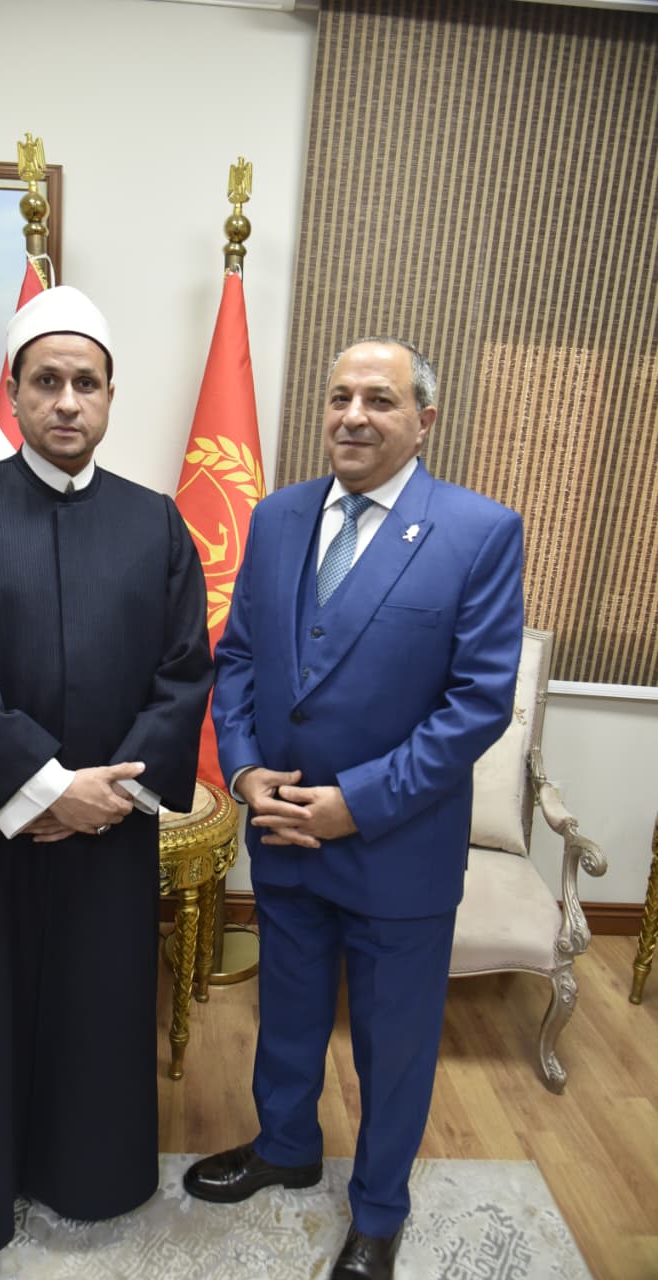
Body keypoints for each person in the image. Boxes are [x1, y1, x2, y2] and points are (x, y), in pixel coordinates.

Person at [184, 338, 523, 1279]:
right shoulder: (279, 516)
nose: (354, 416)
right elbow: (240, 658)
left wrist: (358, 805)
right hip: (284, 828)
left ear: (425, 420)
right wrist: (245, 772)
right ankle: (286, 1147)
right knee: (289, 1015)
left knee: (392, 1046)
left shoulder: (479, 531)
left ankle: (378, 1210)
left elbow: (477, 705)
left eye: (380, 398)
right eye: (340, 397)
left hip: (396, 847)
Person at [0, 285, 212, 1260]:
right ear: (14, 390)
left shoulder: (156, 525)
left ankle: (91, 1176)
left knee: (96, 1013)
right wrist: (42, 790)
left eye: (86, 382)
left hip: (109, 832)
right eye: (46, 381)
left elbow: (183, 672)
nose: (67, 401)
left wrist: (102, 799)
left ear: (110, 396)